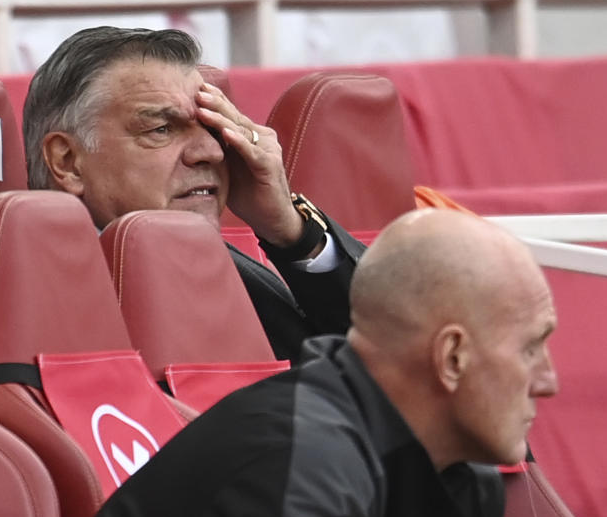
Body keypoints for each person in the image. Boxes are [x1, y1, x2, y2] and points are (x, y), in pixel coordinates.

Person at [86, 209, 560, 517]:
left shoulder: (463, 475)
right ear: (452, 358)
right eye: (529, 349)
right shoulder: (302, 468)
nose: (548, 382)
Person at [23, 26, 365, 363]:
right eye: (161, 129)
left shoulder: (234, 271)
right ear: (67, 161)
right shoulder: (30, 304)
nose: (212, 153)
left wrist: (292, 233)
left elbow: (395, 364)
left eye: (213, 130)